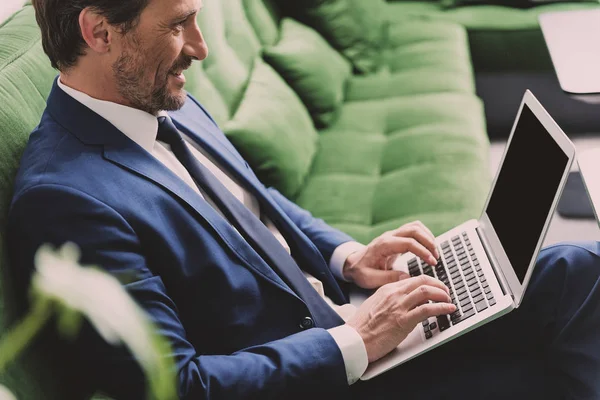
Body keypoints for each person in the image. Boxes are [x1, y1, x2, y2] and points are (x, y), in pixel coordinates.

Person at [7, 0, 600, 398]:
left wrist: (349, 256)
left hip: (346, 307)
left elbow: (260, 203)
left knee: (576, 267)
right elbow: (179, 384)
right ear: (99, 31)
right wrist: (361, 339)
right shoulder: (65, 199)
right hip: (325, 371)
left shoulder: (157, 103)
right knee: (553, 357)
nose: (200, 47)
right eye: (176, 25)